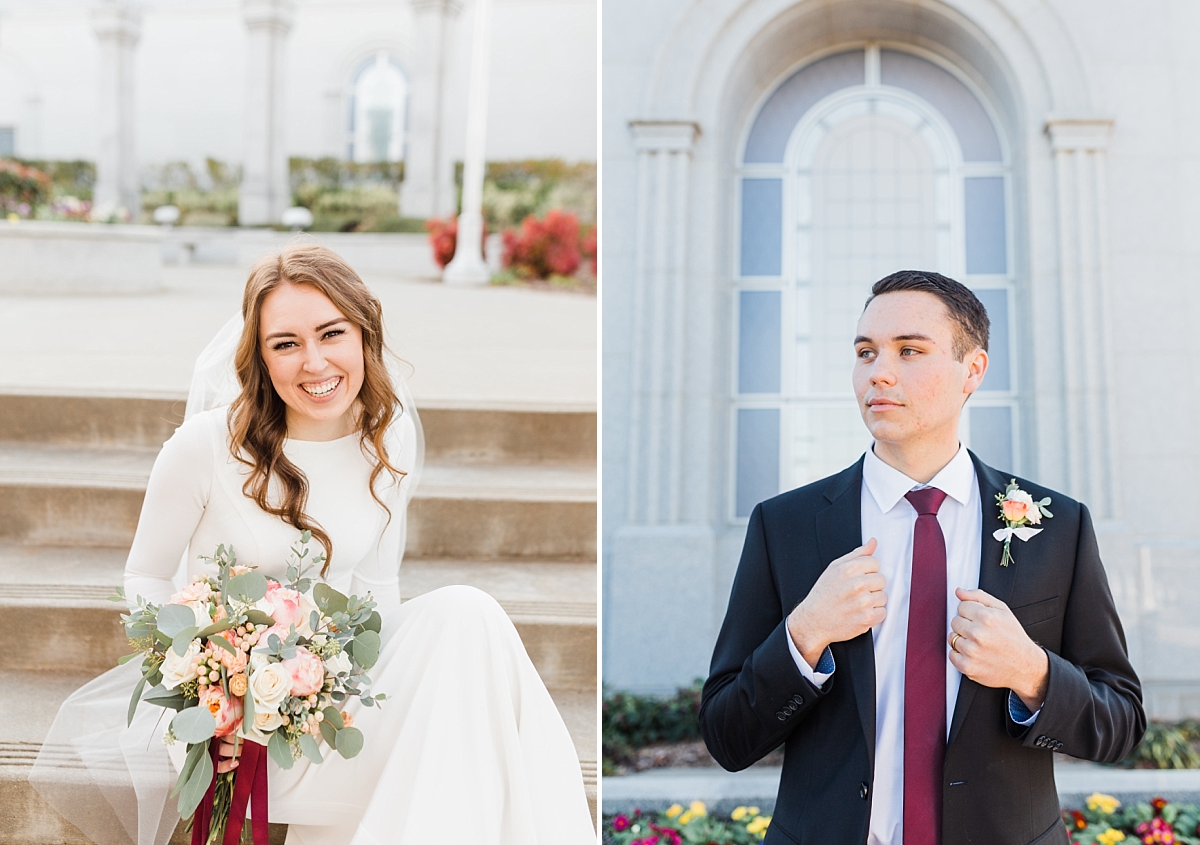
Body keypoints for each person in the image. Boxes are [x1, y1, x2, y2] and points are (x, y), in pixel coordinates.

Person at [32, 244, 595, 845]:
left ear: (363, 334)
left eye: (331, 333)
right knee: (466, 739)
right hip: (236, 728)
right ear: (260, 356)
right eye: (286, 343)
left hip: (335, 699)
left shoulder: (389, 438)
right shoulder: (203, 447)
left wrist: (352, 690)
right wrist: (207, 691)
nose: (315, 362)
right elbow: (144, 578)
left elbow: (379, 593)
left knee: (470, 616)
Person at [698, 270, 1144, 845]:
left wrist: (1031, 674)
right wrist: (803, 635)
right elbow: (727, 737)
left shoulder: (1057, 526)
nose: (879, 371)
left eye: (909, 350)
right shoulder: (784, 527)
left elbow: (1121, 724)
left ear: (972, 371)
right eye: (866, 352)